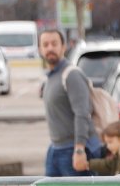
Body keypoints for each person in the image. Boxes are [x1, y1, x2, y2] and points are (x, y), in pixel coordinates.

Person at [39, 28, 101, 176]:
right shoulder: (51, 77)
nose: (50, 48)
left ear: (63, 47)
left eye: (54, 44)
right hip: (56, 149)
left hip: (74, 150)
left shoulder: (71, 74)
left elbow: (82, 113)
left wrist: (79, 149)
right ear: (40, 50)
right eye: (45, 45)